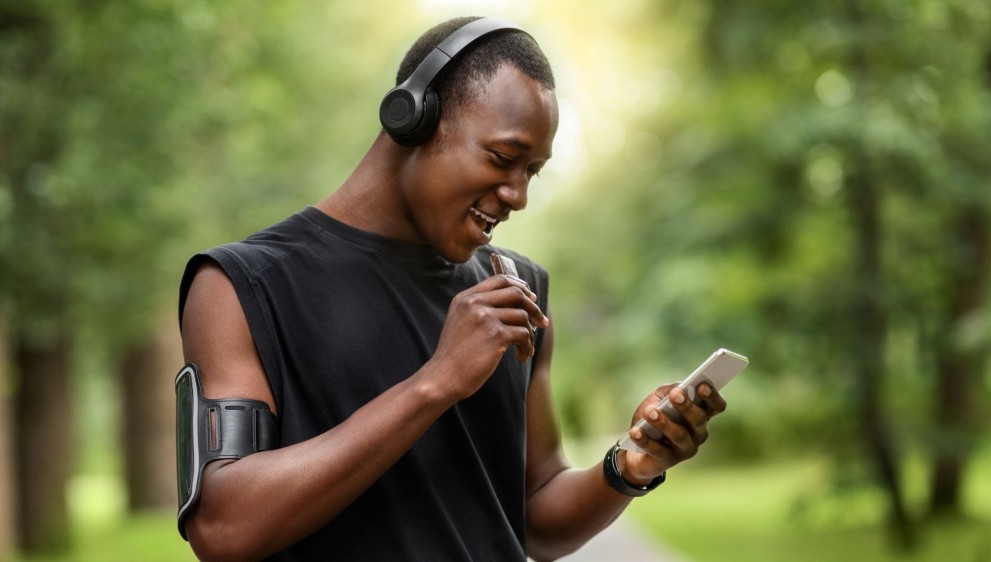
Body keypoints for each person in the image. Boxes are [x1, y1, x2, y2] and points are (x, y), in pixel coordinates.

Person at [177, 15, 727, 562]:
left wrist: (628, 465)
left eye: (532, 171)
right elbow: (225, 528)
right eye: (504, 158)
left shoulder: (516, 291)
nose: (518, 195)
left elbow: (535, 515)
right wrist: (436, 382)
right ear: (412, 119)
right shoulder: (240, 288)